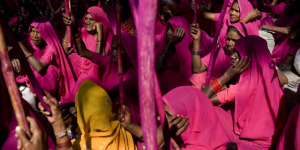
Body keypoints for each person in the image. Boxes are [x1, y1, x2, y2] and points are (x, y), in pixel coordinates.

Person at [12, 17, 75, 104]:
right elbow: (9, 49)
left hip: (52, 85)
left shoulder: (51, 46)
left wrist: (20, 47)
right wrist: (13, 59)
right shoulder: (29, 42)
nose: (35, 35)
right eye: (32, 31)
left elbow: (39, 67)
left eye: (39, 32)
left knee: (47, 70)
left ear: (45, 33)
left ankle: (45, 98)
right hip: (31, 82)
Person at [62, 6, 115, 81]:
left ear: (99, 20)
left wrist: (100, 34)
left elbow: (99, 62)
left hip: (99, 76)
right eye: (86, 18)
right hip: (80, 72)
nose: (87, 22)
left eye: (91, 19)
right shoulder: (82, 32)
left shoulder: (109, 37)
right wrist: (69, 27)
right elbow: (66, 50)